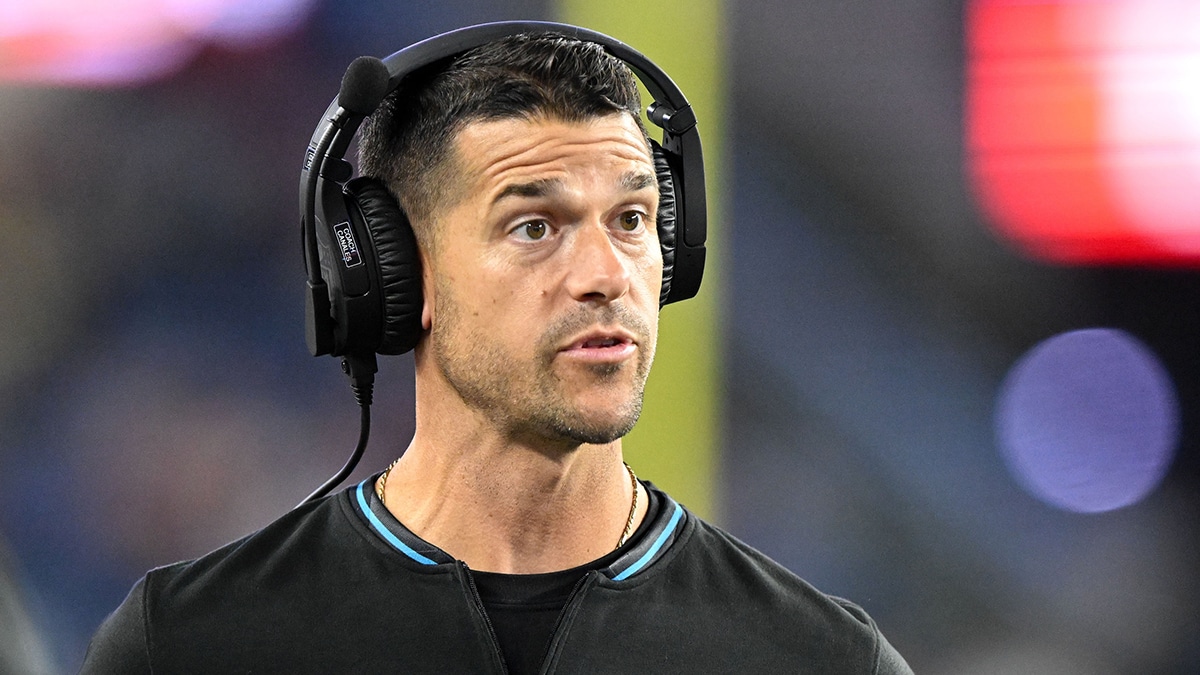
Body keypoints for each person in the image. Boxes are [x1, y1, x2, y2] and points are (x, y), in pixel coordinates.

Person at [82, 27, 912, 674]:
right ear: (397, 273)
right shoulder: (193, 646)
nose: (604, 276)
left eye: (630, 219)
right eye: (535, 226)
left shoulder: (822, 658)